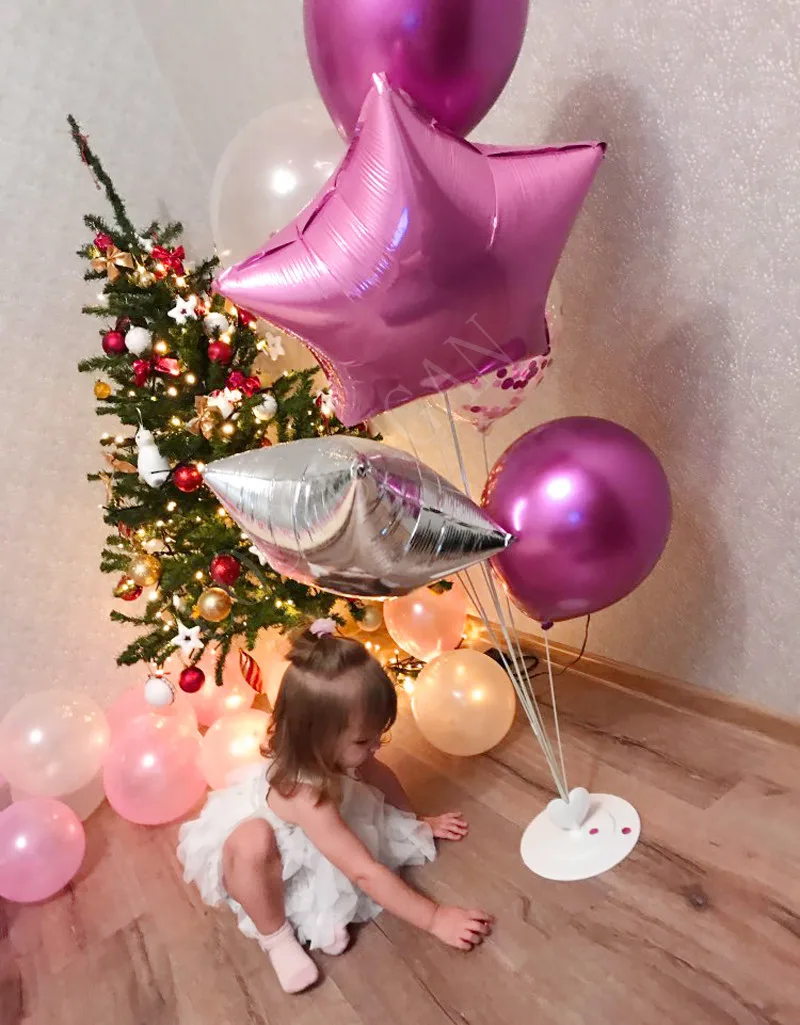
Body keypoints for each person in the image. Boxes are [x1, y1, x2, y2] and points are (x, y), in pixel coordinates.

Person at [178, 618, 493, 994]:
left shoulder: (339, 753)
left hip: (325, 833)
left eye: (378, 735)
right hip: (273, 854)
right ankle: (276, 937)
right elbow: (363, 872)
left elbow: (379, 775)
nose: (374, 746)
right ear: (314, 738)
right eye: (363, 741)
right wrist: (435, 918)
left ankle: (320, 917)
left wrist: (414, 821)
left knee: (344, 853)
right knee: (251, 843)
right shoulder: (304, 793)